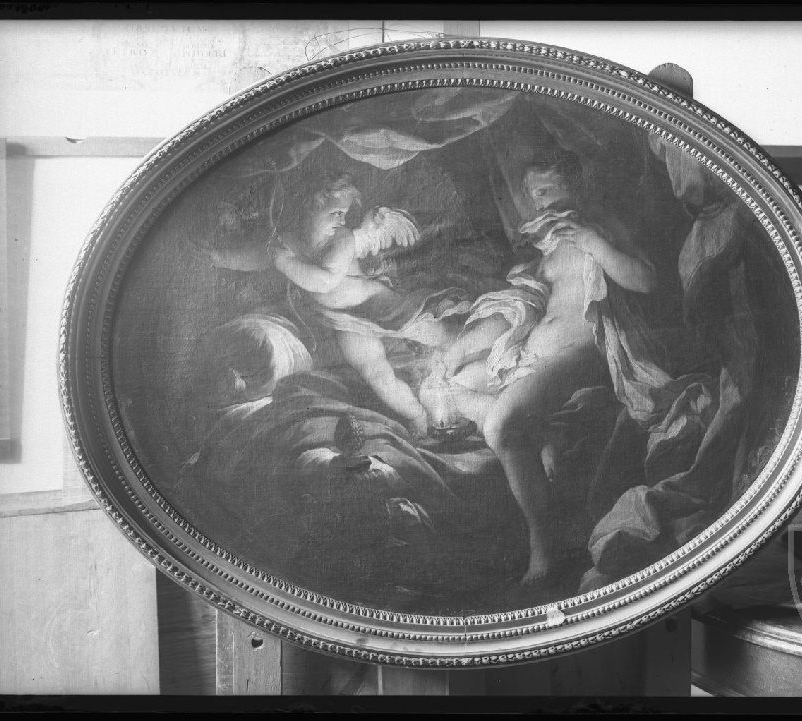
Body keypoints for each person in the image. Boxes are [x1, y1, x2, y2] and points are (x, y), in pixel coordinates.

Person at [425, 150, 658, 584]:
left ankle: (542, 542)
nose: (538, 202)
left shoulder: (601, 228)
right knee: (444, 387)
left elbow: (646, 280)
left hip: (579, 355)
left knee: (501, 426)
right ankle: (541, 431)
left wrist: (593, 242)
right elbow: (521, 308)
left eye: (547, 190)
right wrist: (461, 348)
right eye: (533, 194)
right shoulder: (546, 248)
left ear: (575, 187)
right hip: (531, 356)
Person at [270, 174, 469, 438]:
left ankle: (466, 350)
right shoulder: (287, 241)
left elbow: (324, 282)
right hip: (343, 320)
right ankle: (416, 416)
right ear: (309, 207)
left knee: (428, 332)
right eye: (336, 213)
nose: (342, 221)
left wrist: (284, 262)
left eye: (345, 214)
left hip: (376, 304)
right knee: (374, 372)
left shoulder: (342, 238)